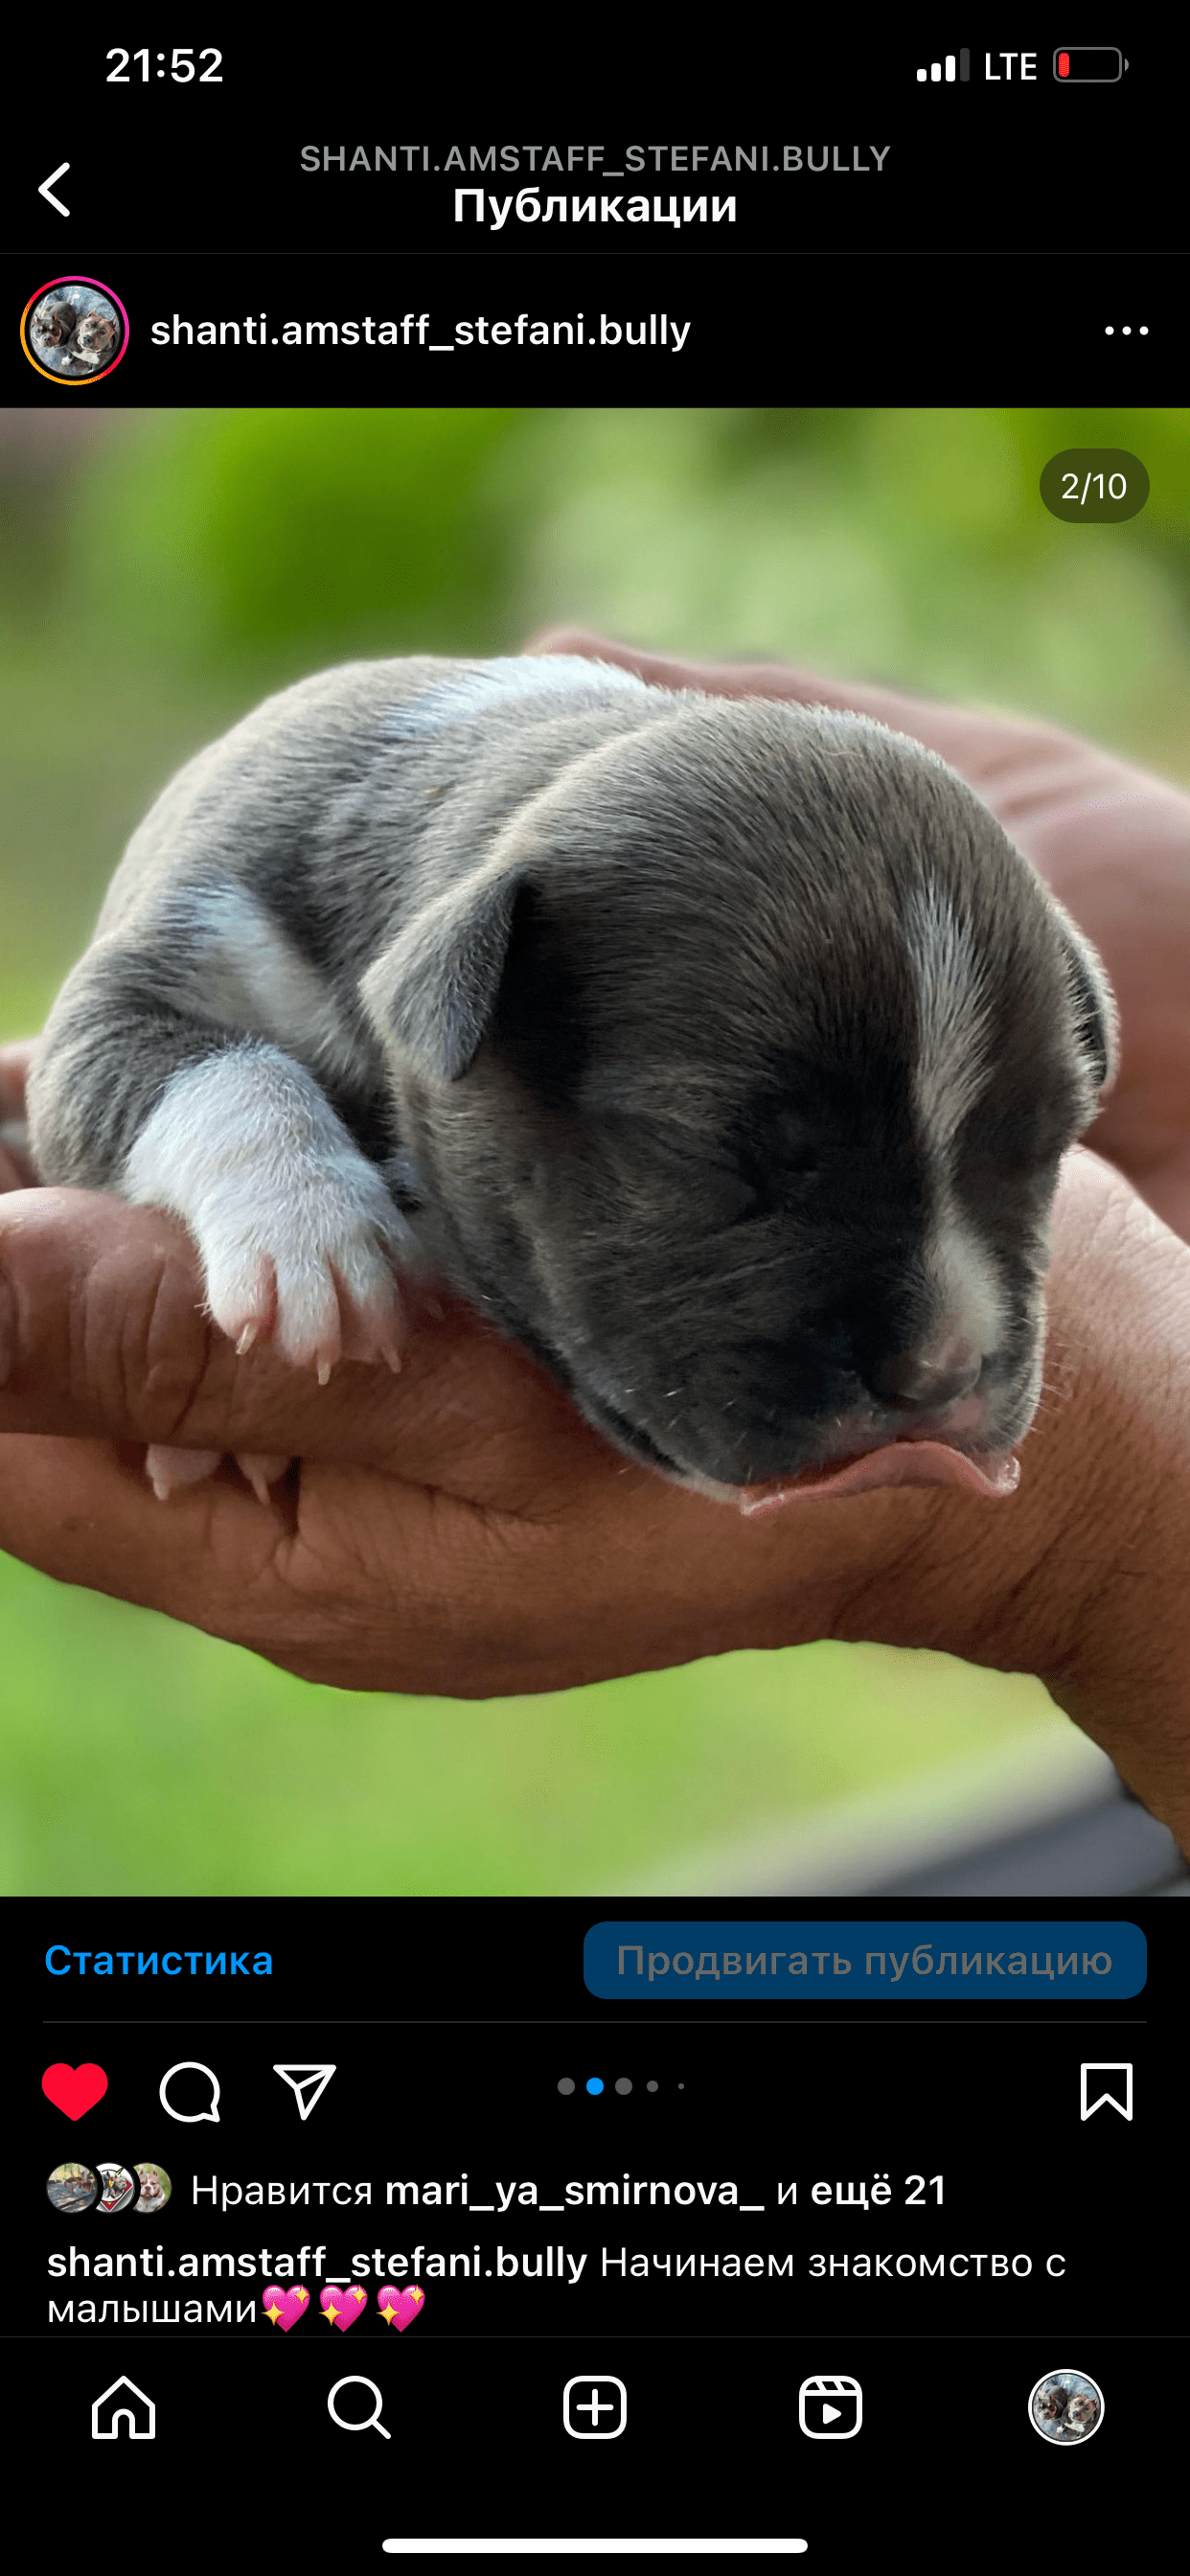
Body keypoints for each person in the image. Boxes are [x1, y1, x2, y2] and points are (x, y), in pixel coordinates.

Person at [1, 634, 1188, 1848]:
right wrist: (259, 1162)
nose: (943, 1348)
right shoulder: (285, 862)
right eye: (746, 1165)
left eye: (1027, 1155)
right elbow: (106, 1041)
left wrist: (1095, 1550)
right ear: (475, 983)